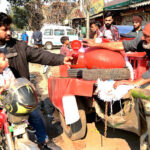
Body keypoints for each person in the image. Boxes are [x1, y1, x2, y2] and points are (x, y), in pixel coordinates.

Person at [0, 12, 72, 150]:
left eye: (9, 28)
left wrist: (61, 59)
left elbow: (39, 55)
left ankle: (44, 140)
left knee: (35, 115)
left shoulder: (19, 46)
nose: (9, 32)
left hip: (20, 96)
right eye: (4, 29)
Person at [83, 22, 150, 88]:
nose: (142, 38)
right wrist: (96, 44)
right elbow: (122, 45)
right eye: (143, 35)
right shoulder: (142, 40)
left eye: (146, 36)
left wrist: (134, 83)